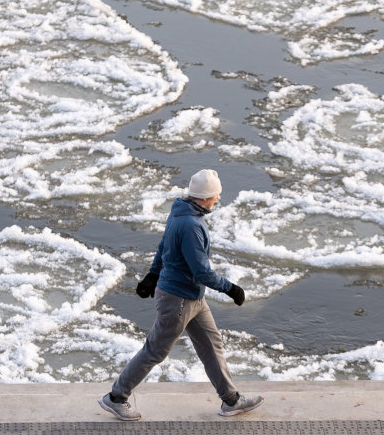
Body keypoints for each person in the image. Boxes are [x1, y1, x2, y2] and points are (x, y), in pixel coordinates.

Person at [98, 169, 263, 421]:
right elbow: (201, 271)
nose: (218, 199)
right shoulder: (191, 225)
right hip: (178, 299)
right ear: (207, 197)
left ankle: (231, 401)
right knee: (155, 350)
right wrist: (231, 289)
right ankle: (116, 397)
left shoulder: (180, 213)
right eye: (216, 195)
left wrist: (152, 276)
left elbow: (164, 246)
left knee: (211, 344)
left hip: (193, 298)